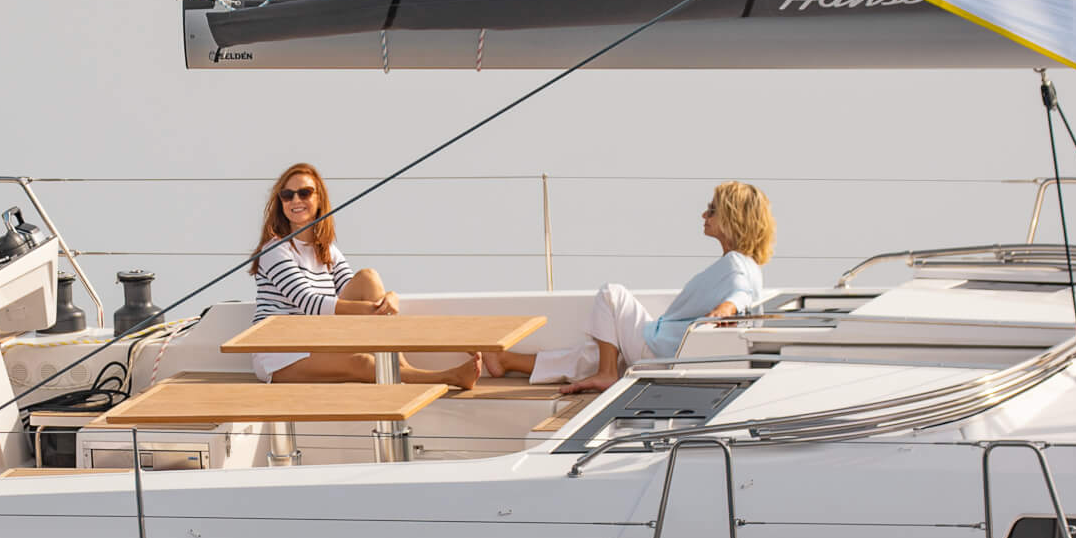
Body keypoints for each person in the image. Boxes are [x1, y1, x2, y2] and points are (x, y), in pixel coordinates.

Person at [487, 181, 774, 392]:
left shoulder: (736, 264)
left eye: (711, 210)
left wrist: (725, 309)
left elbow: (742, 293)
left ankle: (606, 373)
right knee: (592, 353)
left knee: (612, 295)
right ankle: (505, 361)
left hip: (660, 351)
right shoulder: (746, 265)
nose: (704, 215)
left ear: (732, 217)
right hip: (666, 350)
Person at [248, 163, 480, 388]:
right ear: (281, 203)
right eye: (287, 195)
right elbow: (310, 303)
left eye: (305, 193)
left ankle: (401, 366)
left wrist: (390, 298)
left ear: (319, 199)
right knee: (363, 363)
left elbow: (353, 290)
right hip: (279, 351)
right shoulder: (275, 250)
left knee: (368, 277)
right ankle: (448, 377)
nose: (296, 200)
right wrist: (377, 310)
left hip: (315, 337)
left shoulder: (327, 250)